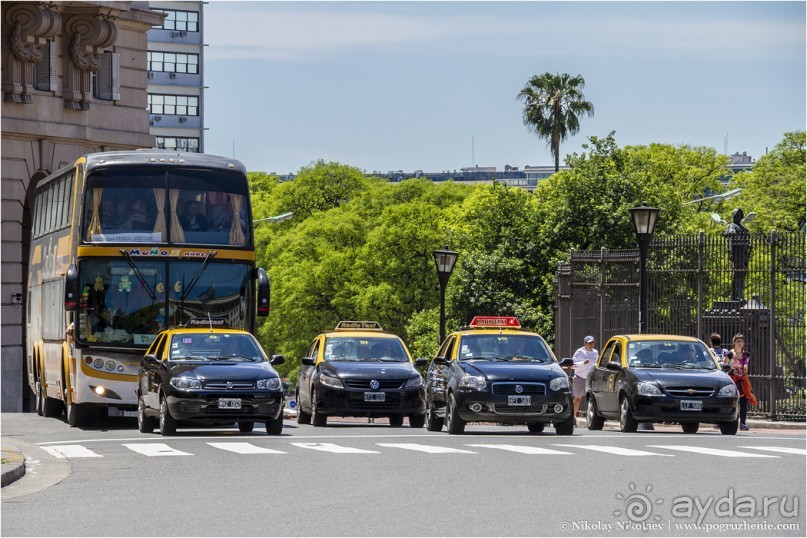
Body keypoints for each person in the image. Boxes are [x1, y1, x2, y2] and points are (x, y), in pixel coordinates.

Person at [725, 333, 756, 431]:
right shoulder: (729, 354)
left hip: (742, 381)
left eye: (741, 341)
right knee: (731, 402)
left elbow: (746, 368)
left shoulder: (746, 355)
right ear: (734, 343)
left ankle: (743, 423)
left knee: (744, 403)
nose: (740, 343)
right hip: (732, 381)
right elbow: (724, 367)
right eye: (738, 341)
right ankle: (725, 420)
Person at [571, 335, 598, 417]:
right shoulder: (579, 352)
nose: (591, 345)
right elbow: (572, 365)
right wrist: (582, 363)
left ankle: (592, 417)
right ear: (585, 343)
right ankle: (572, 416)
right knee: (577, 399)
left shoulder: (595, 352)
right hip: (579, 377)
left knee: (592, 398)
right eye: (589, 343)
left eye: (592, 343)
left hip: (590, 378)